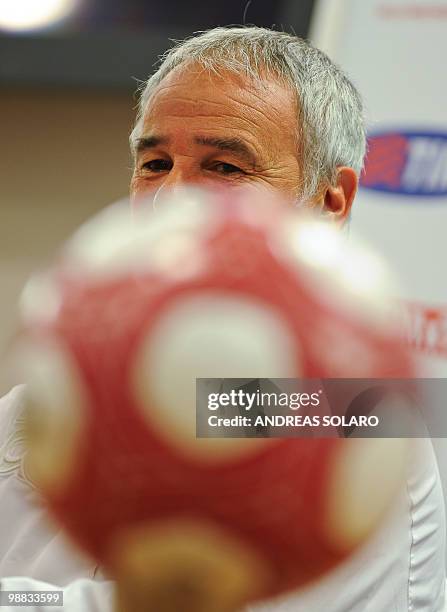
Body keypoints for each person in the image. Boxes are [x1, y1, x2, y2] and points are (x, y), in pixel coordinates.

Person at [0, 26, 445, 612]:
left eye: (226, 168)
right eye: (155, 163)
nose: (171, 200)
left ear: (329, 202)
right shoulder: (52, 394)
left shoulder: (353, 411)